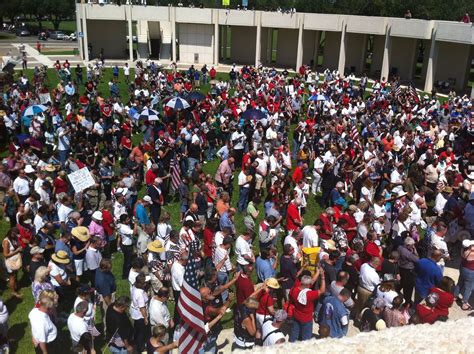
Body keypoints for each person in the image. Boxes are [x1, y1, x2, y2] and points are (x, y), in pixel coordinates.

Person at [289, 270, 325, 342]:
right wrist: (323, 277)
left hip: (296, 315)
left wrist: (317, 272)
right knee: (306, 338)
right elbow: (322, 291)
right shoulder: (310, 294)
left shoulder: (293, 290)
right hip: (306, 318)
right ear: (308, 285)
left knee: (294, 334)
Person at [130, 273, 149, 353]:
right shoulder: (140, 294)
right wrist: (145, 318)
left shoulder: (134, 287)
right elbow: (142, 308)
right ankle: (140, 348)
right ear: (142, 284)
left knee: (137, 329)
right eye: (145, 282)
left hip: (135, 314)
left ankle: (135, 343)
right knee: (141, 332)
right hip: (140, 315)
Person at [2, 228, 23, 298]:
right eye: (15, 234)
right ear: (11, 233)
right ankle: (13, 292)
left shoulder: (14, 238)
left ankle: (15, 286)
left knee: (15, 274)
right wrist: (17, 251)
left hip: (15, 261)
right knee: (12, 276)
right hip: (10, 262)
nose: (16, 236)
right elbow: (5, 254)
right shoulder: (6, 241)